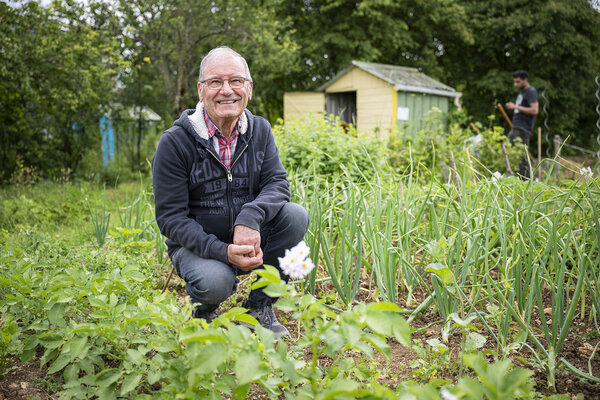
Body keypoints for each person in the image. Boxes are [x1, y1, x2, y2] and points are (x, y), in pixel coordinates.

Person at [152, 46, 309, 339]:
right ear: (201, 91)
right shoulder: (175, 143)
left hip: (248, 237)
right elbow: (171, 218)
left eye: (235, 81)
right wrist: (222, 251)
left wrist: (249, 217)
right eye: (215, 82)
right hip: (199, 246)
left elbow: (277, 183)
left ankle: (259, 309)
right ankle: (203, 310)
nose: (227, 90)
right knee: (214, 281)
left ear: (248, 88)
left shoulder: (259, 130)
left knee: (295, 216)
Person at [504, 69, 539, 179]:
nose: (515, 84)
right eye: (514, 81)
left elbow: (535, 110)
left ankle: (528, 182)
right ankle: (515, 177)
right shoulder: (523, 93)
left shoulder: (531, 92)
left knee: (522, 158)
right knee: (508, 150)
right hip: (516, 128)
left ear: (525, 80)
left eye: (518, 82)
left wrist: (515, 106)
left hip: (523, 129)